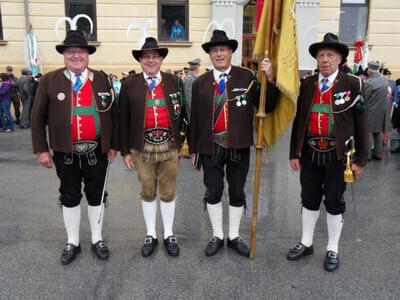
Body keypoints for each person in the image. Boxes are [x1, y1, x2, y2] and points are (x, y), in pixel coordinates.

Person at [31, 30, 119, 265]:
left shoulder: (102, 78)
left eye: (80, 51)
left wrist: (113, 145)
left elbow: (113, 113)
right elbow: (37, 117)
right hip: (65, 152)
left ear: (87, 54)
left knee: (96, 195)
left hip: (97, 151)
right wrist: (41, 149)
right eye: (71, 52)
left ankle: (97, 239)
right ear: (64, 55)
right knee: (69, 195)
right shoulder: (49, 80)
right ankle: (73, 241)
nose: (76, 55)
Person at [189, 29, 279, 258]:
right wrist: (192, 149)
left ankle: (234, 236)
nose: (219, 54)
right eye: (215, 50)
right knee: (213, 190)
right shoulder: (200, 83)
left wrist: (269, 78)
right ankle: (217, 235)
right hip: (210, 147)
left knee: (237, 191)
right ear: (210, 55)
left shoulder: (247, 77)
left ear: (231, 52)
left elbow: (265, 106)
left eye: (223, 50)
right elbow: (195, 119)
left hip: (238, 144)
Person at [287, 33, 369, 272]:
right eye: (321, 55)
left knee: (334, 201)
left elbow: (362, 123)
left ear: (340, 58)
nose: (324, 60)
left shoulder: (352, 84)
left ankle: (333, 247)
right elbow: (299, 122)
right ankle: (306, 242)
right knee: (309, 199)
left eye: (330, 55)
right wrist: (294, 152)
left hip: (338, 157)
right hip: (310, 154)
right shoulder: (307, 84)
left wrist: (361, 160)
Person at [119, 37, 188, 258]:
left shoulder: (174, 81)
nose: (150, 60)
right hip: (142, 147)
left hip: (169, 145)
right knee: (147, 190)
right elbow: (123, 119)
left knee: (168, 191)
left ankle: (168, 233)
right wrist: (125, 151)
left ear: (161, 59)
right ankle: (151, 234)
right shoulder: (129, 83)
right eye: (146, 56)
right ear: (140, 60)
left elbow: (183, 114)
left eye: (154, 56)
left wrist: (182, 145)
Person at [364, 61, 389, 160]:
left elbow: (364, 97)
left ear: (370, 71)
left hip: (370, 110)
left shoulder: (370, 82)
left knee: (368, 133)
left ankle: (368, 155)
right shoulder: (384, 80)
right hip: (381, 111)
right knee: (378, 133)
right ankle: (378, 154)